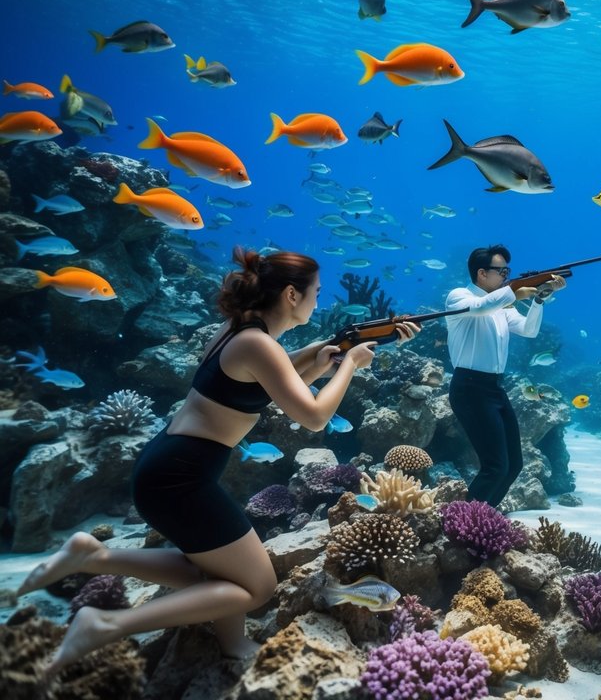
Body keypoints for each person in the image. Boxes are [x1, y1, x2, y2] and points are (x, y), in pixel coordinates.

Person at [18, 246, 417, 675]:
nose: (320, 300)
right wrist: (351, 363)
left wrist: (330, 354)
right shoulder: (256, 344)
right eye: (316, 292)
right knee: (258, 587)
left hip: (169, 466)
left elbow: (275, 384)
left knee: (213, 573)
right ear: (291, 295)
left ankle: (99, 561)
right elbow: (315, 416)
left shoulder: (241, 332)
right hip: (179, 479)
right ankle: (105, 625)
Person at [445, 244, 565, 507]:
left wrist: (538, 299)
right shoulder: (459, 296)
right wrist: (513, 292)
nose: (506, 276)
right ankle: (462, 524)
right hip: (469, 387)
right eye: (501, 271)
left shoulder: (502, 303)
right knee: (495, 466)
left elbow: (528, 329)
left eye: (507, 271)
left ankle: (484, 519)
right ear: (481, 273)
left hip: (495, 388)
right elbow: (479, 308)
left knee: (513, 466)